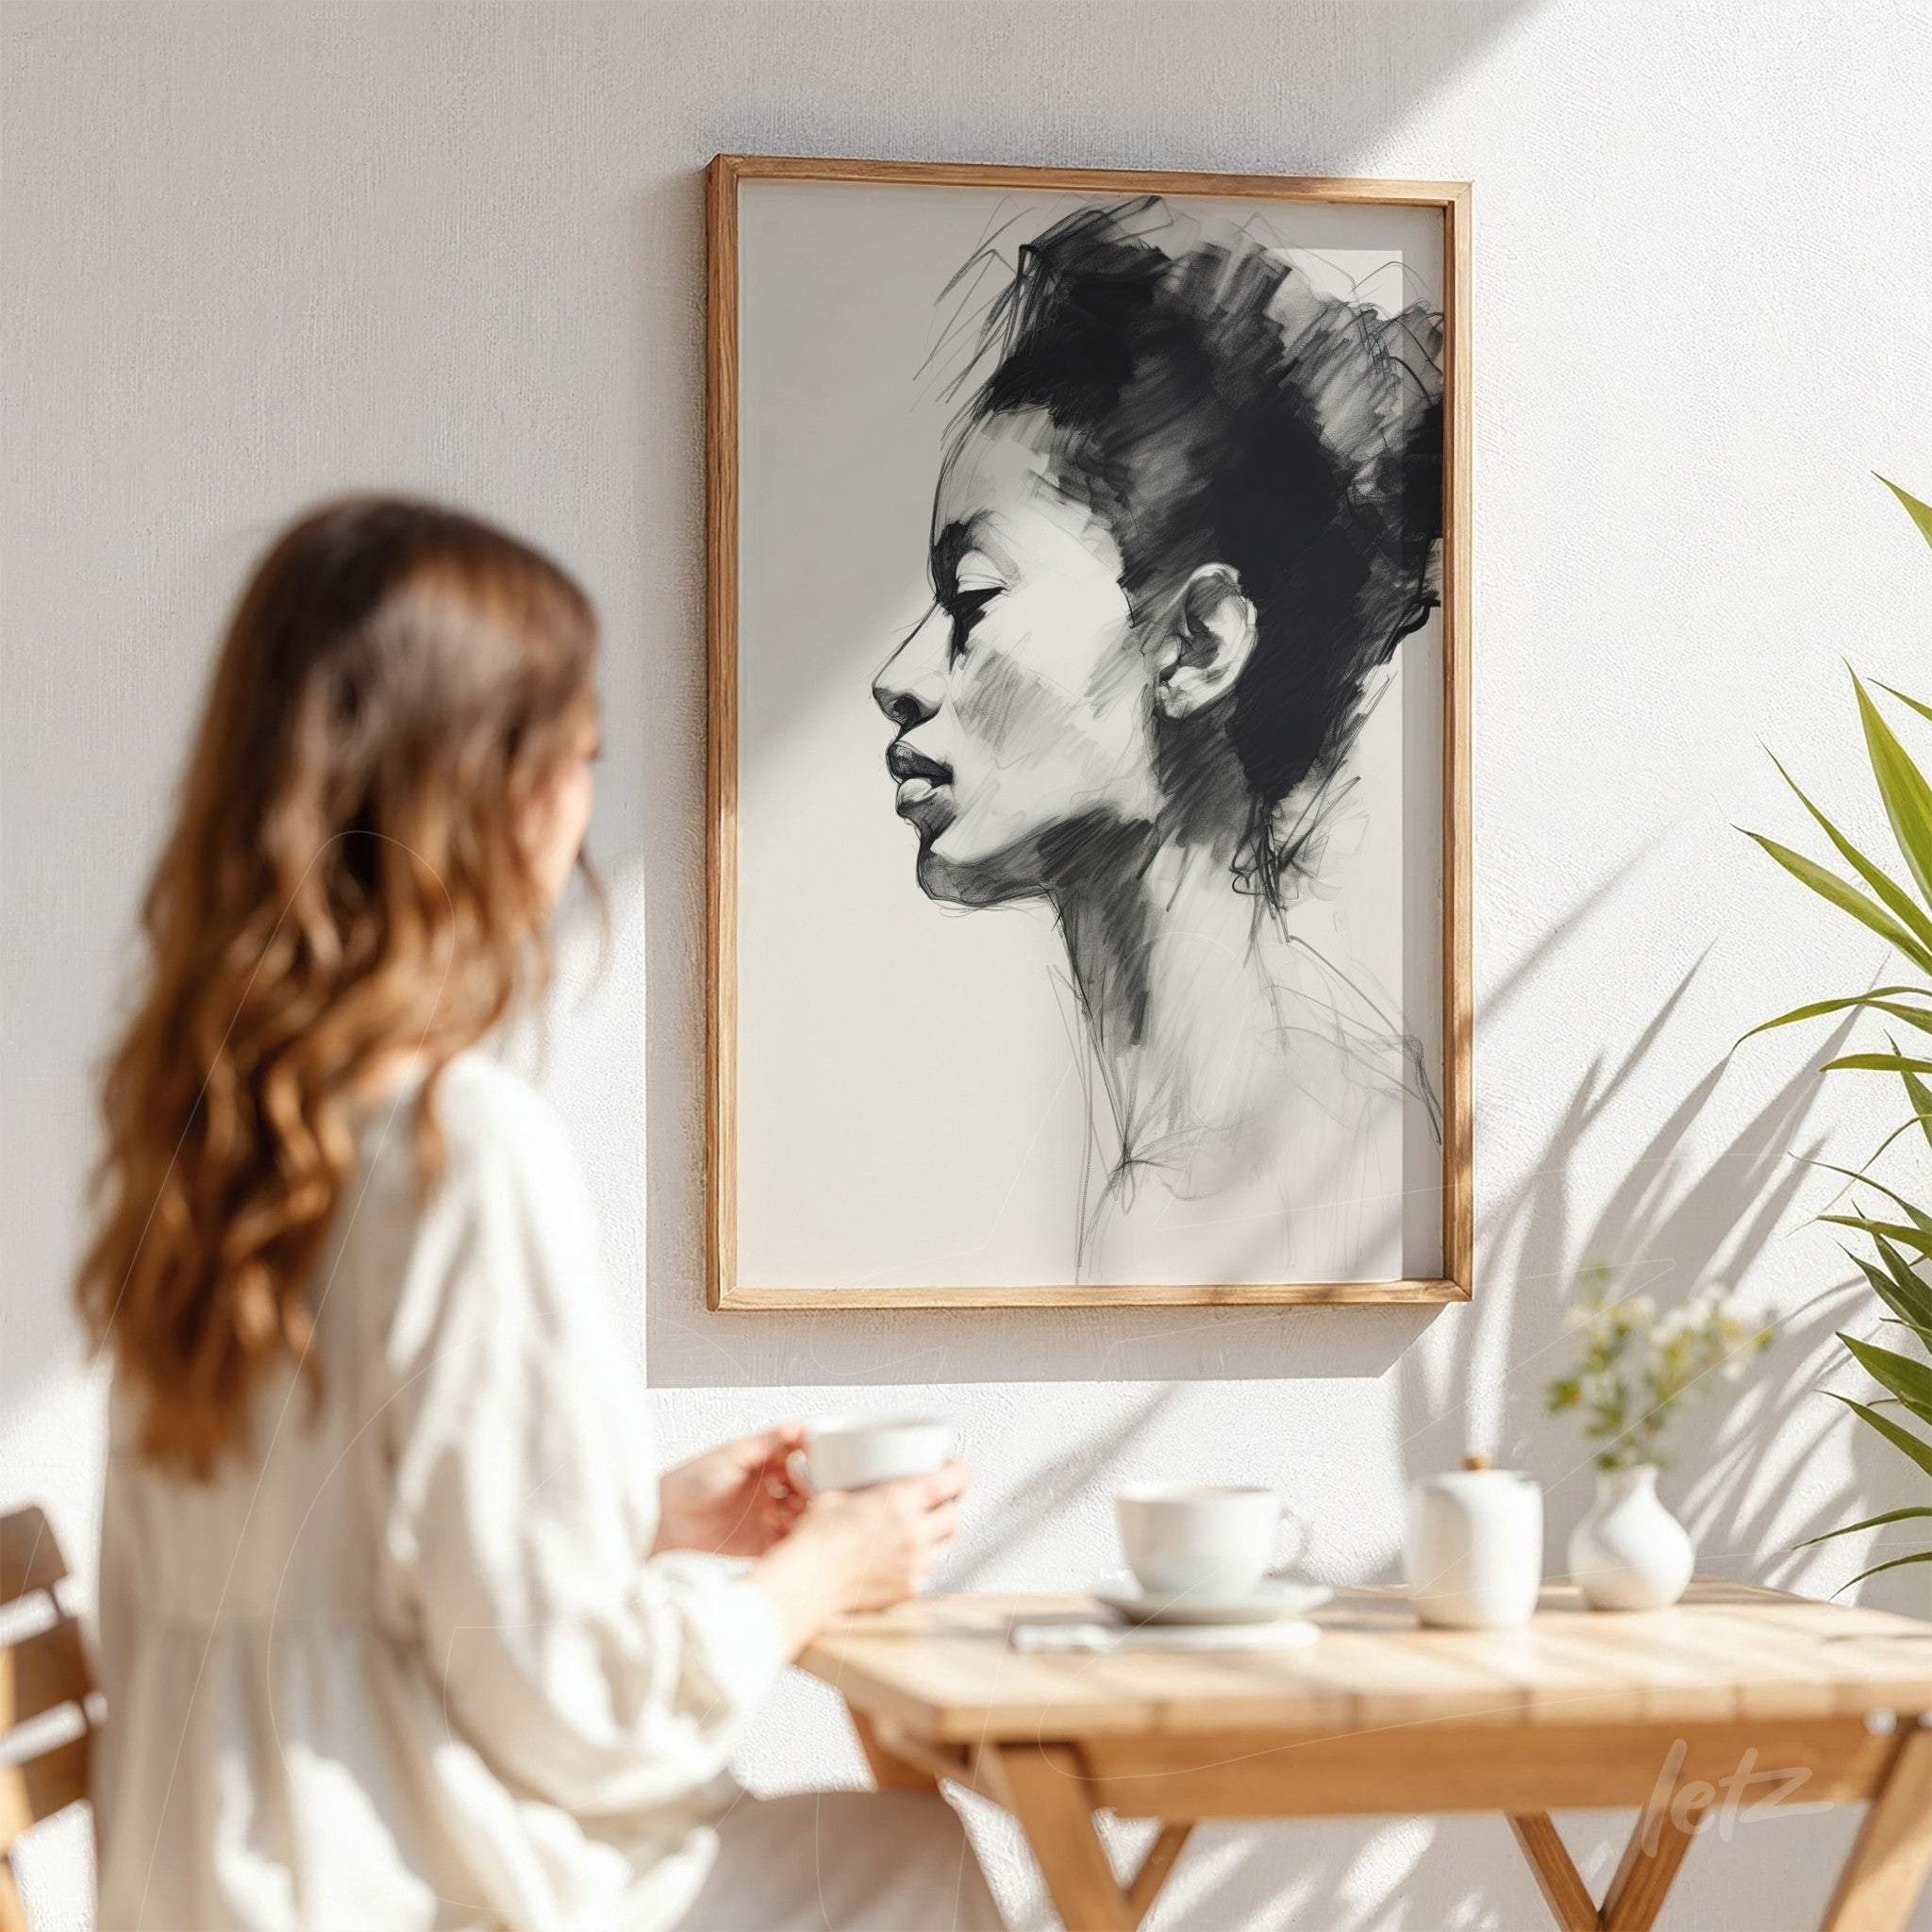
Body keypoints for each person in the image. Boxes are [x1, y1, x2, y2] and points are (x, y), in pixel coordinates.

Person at [78, 498, 1002, 1931]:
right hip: (407, 1882)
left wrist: (634, 1524)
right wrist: (816, 1575)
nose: (585, 804)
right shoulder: (455, 1151)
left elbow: (344, 1575)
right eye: (577, 759)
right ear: (487, 792)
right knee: (914, 1869)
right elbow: (576, 1703)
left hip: (215, 1876)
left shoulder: (202, 1141)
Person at [874, 198, 1445, 1286]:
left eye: (974, 598)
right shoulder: (1134, 1164)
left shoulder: (1325, 1172)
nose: (896, 677)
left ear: (1193, 643)